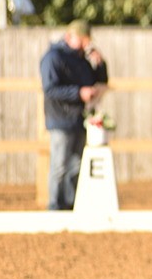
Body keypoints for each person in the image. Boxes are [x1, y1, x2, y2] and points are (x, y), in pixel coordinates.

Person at [40, 19, 108, 210]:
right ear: (69, 37)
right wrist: (78, 93)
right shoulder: (53, 57)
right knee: (59, 166)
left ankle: (70, 205)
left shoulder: (81, 59)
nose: (86, 45)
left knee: (75, 166)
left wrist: (100, 64)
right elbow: (50, 89)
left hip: (79, 118)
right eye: (82, 40)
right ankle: (55, 206)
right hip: (60, 118)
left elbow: (99, 80)